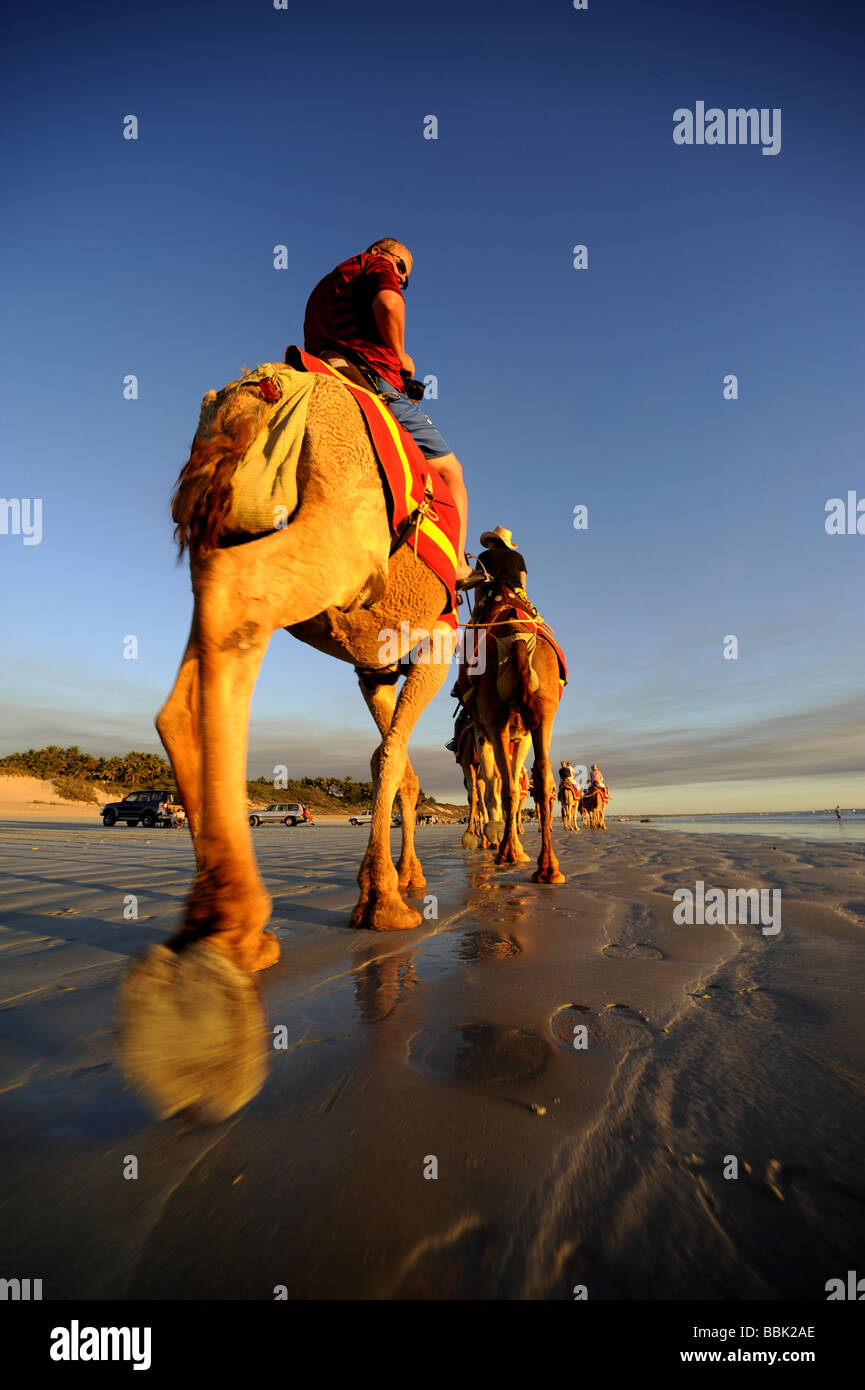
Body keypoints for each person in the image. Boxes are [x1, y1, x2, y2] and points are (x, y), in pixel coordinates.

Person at [304, 238, 472, 580]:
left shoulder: (327, 284)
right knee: (452, 471)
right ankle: (456, 564)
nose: (401, 277)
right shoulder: (375, 265)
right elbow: (390, 303)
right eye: (402, 270)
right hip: (369, 375)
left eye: (403, 276)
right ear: (383, 254)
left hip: (320, 366)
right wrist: (400, 354)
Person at [468, 526, 539, 617]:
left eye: (488, 543)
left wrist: (477, 606)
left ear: (493, 543)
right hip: (516, 592)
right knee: (535, 619)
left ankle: (480, 629)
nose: (488, 546)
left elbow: (479, 586)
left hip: (491, 592)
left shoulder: (484, 555)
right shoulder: (519, 556)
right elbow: (523, 585)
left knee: (473, 627)